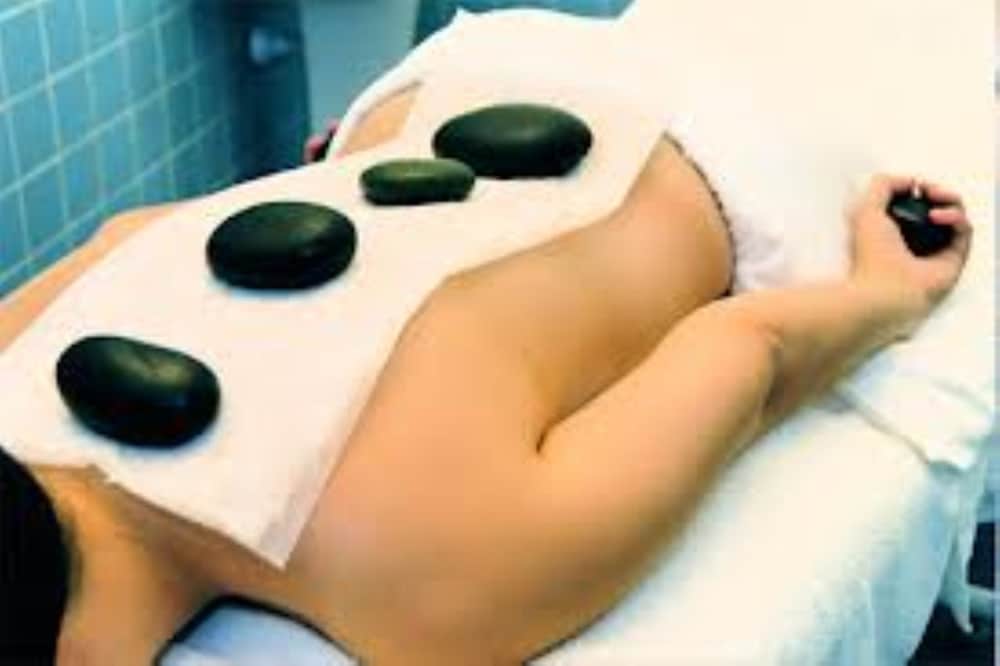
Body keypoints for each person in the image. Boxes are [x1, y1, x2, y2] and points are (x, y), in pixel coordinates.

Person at [0, 83, 972, 665]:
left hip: (711, 140)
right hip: (431, 97)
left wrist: (888, 293)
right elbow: (139, 236)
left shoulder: (423, 583)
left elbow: (748, 356)